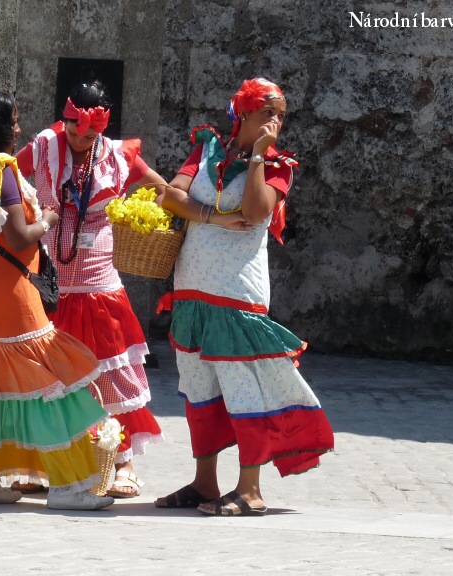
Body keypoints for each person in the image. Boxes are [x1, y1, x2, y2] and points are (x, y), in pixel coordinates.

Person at [154, 78, 334, 515]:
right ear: (243, 112)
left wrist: (257, 155)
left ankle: (250, 489)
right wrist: (211, 215)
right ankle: (204, 482)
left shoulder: (278, 165)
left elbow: (255, 211)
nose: (275, 120)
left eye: (281, 115)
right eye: (266, 111)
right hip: (193, 287)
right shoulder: (208, 149)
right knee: (198, 387)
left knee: (241, 386)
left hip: (236, 291)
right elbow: (169, 194)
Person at [0, 89, 114, 511]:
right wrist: (49, 216)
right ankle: (69, 486)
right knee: (46, 383)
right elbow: (18, 237)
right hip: (13, 296)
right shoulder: (1, 168)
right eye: (12, 121)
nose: (17, 128)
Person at [16, 81, 165, 498]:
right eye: (73, 131)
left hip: (98, 284)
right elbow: (5, 174)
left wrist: (197, 214)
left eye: (89, 134)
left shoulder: (118, 155)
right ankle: (47, 465)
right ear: (63, 120)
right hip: (53, 281)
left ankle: (125, 465)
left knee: (109, 374)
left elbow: (163, 187)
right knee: (50, 378)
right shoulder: (44, 147)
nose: (80, 140)